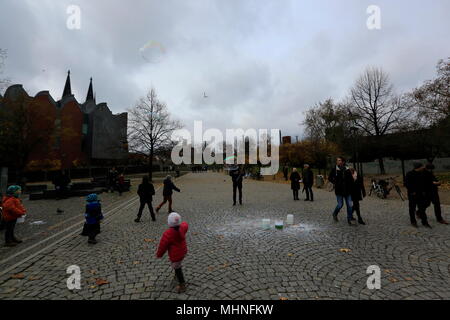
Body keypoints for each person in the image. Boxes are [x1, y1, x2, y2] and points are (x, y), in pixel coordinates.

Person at [156, 212, 189, 293]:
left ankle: (182, 285)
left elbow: (162, 246)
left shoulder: (167, 234)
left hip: (175, 256)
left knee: (177, 268)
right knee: (178, 265)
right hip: (183, 252)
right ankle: (176, 276)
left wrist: (159, 254)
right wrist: (179, 222)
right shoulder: (182, 228)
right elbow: (185, 224)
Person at [328, 157, 355, 225]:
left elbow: (351, 179)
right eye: (337, 160)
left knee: (349, 205)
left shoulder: (347, 169)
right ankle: (335, 213)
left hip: (347, 190)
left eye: (339, 160)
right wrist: (335, 182)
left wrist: (352, 188)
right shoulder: (334, 169)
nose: (338, 161)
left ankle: (349, 219)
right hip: (339, 190)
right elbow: (329, 178)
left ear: (343, 161)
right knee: (340, 205)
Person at [405, 162, 431, 228]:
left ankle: (425, 222)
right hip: (412, 195)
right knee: (412, 209)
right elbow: (407, 184)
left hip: (421, 194)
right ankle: (413, 222)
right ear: (419, 167)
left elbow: (424, 183)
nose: (423, 167)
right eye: (422, 166)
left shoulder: (422, 173)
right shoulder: (409, 174)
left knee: (422, 209)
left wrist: (424, 192)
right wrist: (412, 191)